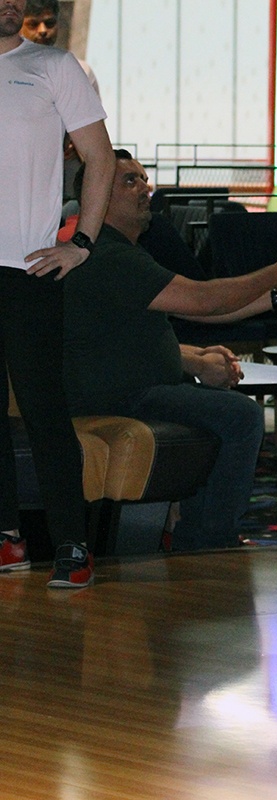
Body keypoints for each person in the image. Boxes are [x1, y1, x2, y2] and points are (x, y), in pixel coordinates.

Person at [62, 150, 277, 551]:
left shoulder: (117, 252)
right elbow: (202, 300)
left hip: (133, 388)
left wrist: (273, 297)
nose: (145, 187)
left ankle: (194, 531)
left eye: (144, 178)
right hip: (119, 397)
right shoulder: (109, 256)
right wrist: (273, 273)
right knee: (240, 415)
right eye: (130, 181)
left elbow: (191, 314)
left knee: (222, 409)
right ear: (98, 195)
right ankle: (208, 540)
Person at [1, 0, 114, 589]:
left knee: (44, 411)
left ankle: (72, 542)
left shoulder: (52, 66)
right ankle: (7, 538)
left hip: (29, 270)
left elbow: (100, 158)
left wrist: (83, 243)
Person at [20, 0, 99, 94]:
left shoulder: (81, 72)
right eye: (33, 25)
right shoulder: (7, 70)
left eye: (49, 23)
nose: (43, 30)